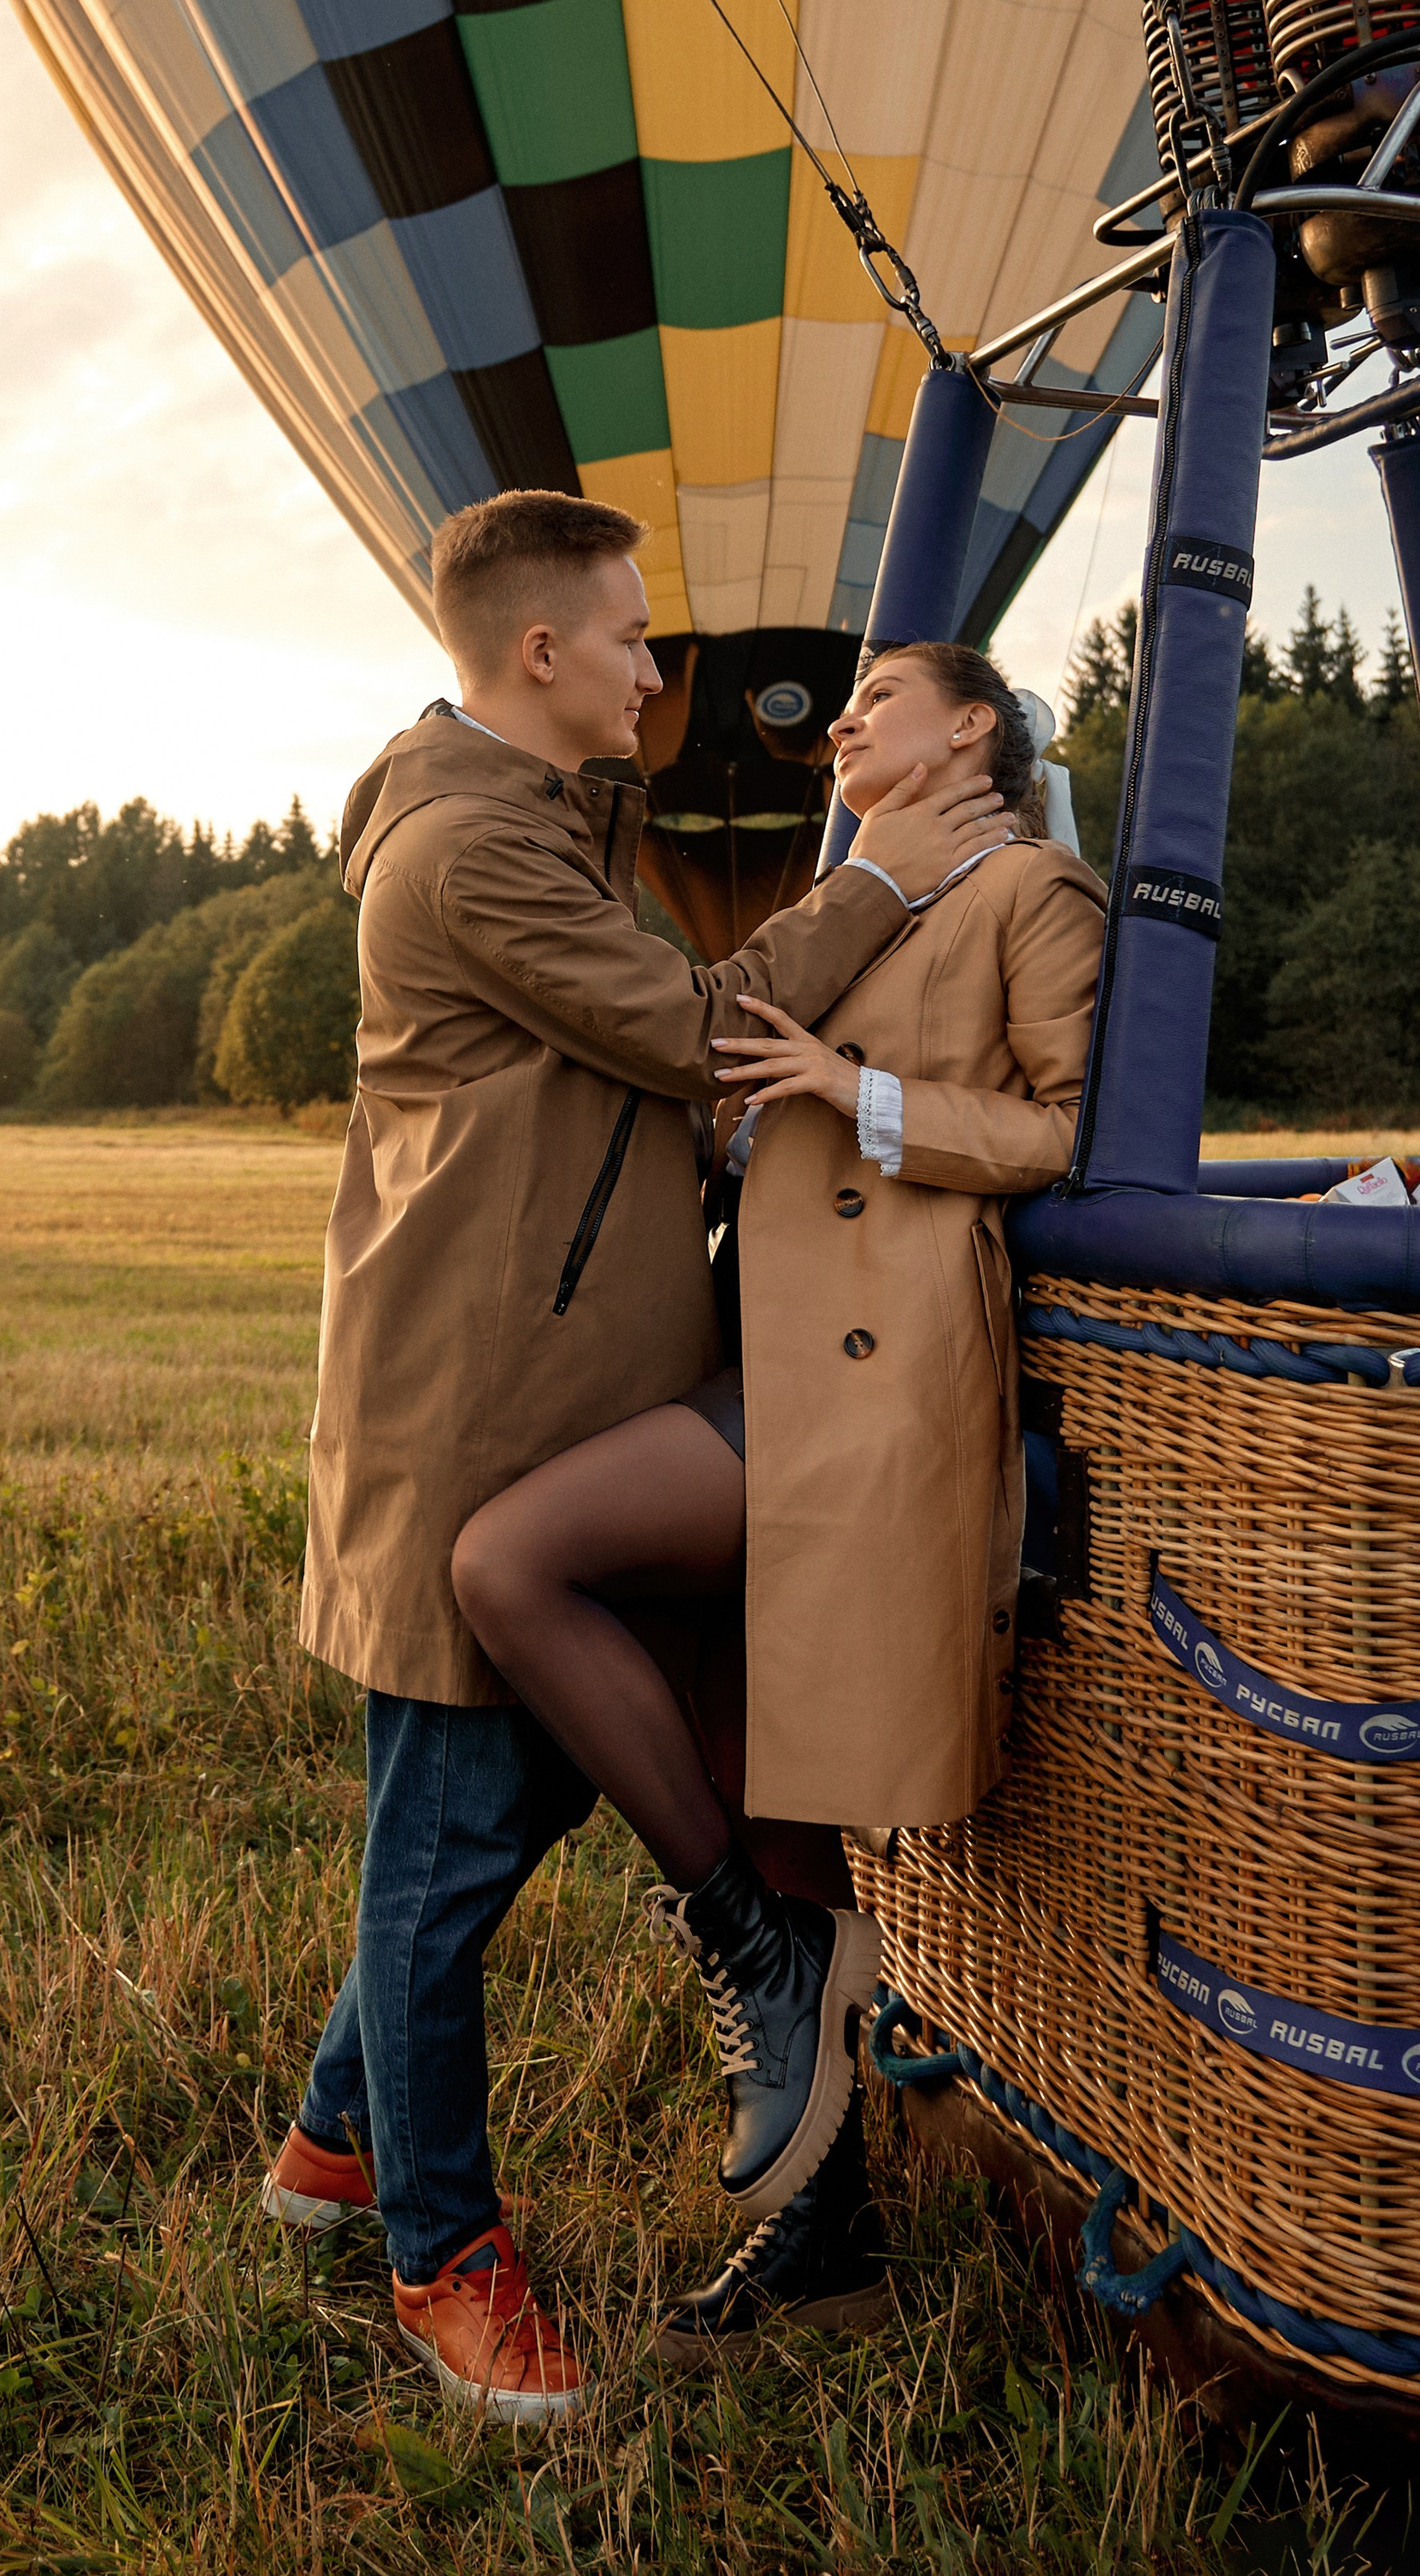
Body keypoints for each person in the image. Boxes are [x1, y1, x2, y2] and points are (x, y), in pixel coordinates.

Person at [259, 500, 1016, 2425]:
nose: (656, 678)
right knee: (441, 1859)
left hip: (547, 1396)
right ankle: (439, 2252)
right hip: (472, 1426)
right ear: (534, 657)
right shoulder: (462, 855)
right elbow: (695, 1032)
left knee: (477, 1824)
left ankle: (333, 2149)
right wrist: (879, 871)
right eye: (623, 642)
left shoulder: (534, 827)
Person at [451, 640, 1106, 2366]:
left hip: (860, 1400)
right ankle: (827, 2243)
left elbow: (1058, 1134)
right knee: (762, 1787)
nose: (848, 715)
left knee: (512, 1560)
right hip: (754, 1357)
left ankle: (753, 1947)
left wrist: (848, 1094)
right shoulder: (847, 899)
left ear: (974, 726)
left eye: (887, 692)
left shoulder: (1028, 890)